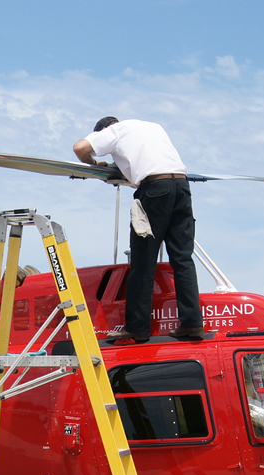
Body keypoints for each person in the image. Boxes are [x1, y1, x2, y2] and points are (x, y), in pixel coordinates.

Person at [73, 117, 203, 343]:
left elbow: (80, 148)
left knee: (143, 262)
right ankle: (192, 323)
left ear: (104, 130)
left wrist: (95, 163)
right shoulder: (153, 126)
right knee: (183, 259)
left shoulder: (115, 130)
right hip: (181, 188)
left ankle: (137, 327)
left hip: (154, 191)